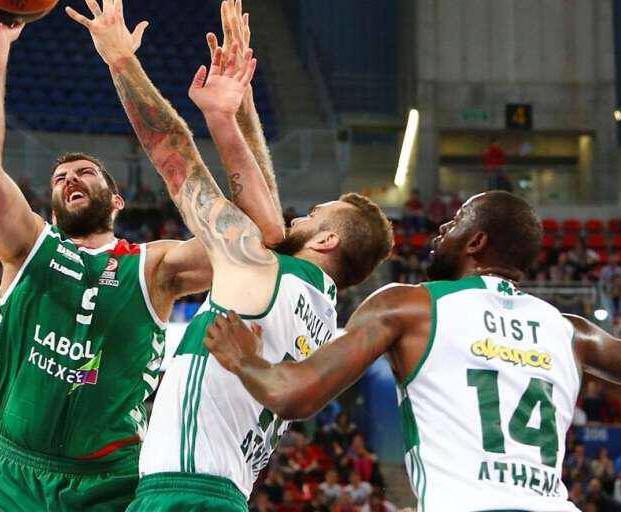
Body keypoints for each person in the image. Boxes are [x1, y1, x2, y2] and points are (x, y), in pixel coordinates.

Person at [204, 191, 621, 511]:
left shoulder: (408, 306)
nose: (442, 229)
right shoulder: (569, 330)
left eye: (456, 221)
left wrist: (242, 357)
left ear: (477, 242)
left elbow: (295, 394)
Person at [0, 0, 285, 508]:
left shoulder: (154, 268)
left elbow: (255, 236)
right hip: (13, 474)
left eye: (85, 172)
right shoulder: (29, 247)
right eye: (60, 178)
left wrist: (235, 115)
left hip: (109, 482)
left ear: (116, 201)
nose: (69, 178)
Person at [83, 3, 393, 509]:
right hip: (224, 493)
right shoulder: (320, 316)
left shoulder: (259, 272)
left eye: (314, 214)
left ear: (327, 241)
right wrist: (238, 110)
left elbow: (173, 154)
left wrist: (121, 62)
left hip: (182, 492)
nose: (299, 216)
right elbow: (267, 225)